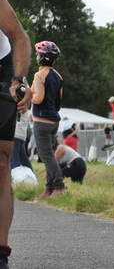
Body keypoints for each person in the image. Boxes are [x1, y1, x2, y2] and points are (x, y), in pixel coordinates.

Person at [0, 0, 32, 269]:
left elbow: (19, 36)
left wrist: (19, 80)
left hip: (0, 69)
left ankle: (0, 251)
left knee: (1, 162)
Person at [31, 41, 65, 202]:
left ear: (41, 57)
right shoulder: (58, 76)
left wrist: (27, 95)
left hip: (41, 120)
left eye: (38, 54)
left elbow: (38, 98)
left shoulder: (39, 75)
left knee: (46, 156)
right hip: (53, 121)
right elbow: (58, 101)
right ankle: (49, 188)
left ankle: (59, 186)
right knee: (49, 155)